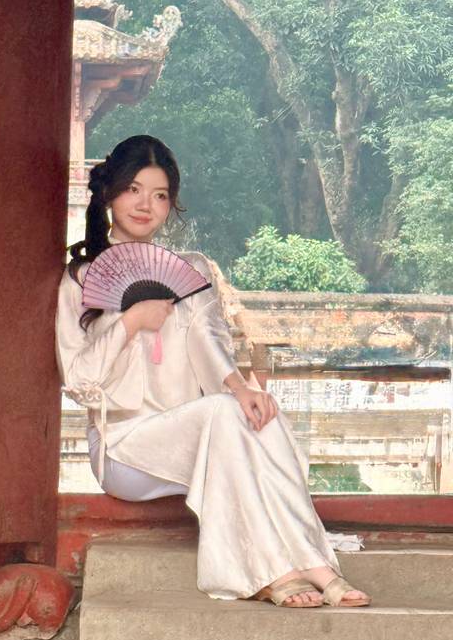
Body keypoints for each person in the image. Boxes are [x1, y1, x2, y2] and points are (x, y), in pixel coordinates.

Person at [56, 135, 370, 608]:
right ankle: (278, 571)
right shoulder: (79, 279)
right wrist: (129, 322)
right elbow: (79, 381)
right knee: (225, 414)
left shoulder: (191, 269)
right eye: (134, 190)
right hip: (124, 446)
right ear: (109, 193)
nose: (145, 205)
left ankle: (313, 567)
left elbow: (209, 338)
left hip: (198, 432)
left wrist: (240, 387)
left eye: (160, 195)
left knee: (260, 414)